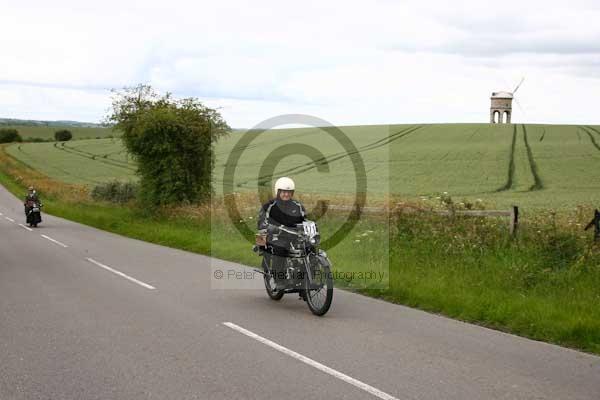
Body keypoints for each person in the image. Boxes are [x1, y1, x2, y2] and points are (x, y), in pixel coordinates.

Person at [257, 177, 307, 291]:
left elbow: (305, 220)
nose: (286, 194)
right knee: (280, 249)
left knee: (309, 248)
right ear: (278, 192)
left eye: (289, 192)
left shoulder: (297, 206)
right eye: (283, 192)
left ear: (292, 193)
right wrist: (272, 228)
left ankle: (306, 277)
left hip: (294, 235)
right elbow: (261, 223)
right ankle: (279, 279)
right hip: (275, 236)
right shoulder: (269, 206)